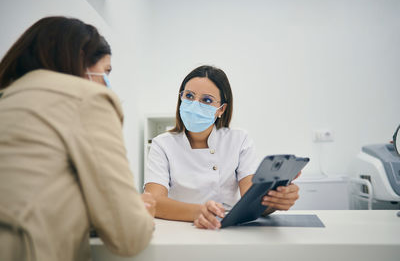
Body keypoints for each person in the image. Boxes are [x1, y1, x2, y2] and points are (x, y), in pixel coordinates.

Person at [0, 16, 155, 261]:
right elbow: (130, 235)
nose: (105, 84)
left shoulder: (8, 98)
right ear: (80, 61)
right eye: (105, 72)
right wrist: (141, 212)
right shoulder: (88, 99)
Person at [144, 65, 301, 229]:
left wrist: (276, 201)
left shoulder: (238, 140)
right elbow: (154, 202)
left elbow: (252, 199)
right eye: (189, 96)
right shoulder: (162, 144)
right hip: (179, 229)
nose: (195, 105)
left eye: (206, 100)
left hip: (228, 228)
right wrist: (199, 212)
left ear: (221, 109)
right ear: (181, 98)